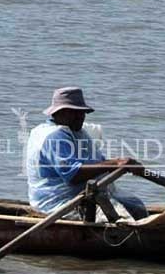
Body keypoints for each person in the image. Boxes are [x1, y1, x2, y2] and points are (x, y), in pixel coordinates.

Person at [26, 87, 148, 221]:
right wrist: (116, 163)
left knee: (136, 206)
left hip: (80, 196)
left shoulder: (76, 132)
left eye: (82, 112)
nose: (80, 117)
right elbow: (73, 175)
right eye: (74, 113)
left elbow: (98, 163)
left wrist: (122, 165)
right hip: (58, 203)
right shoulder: (55, 136)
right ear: (59, 113)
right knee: (123, 219)